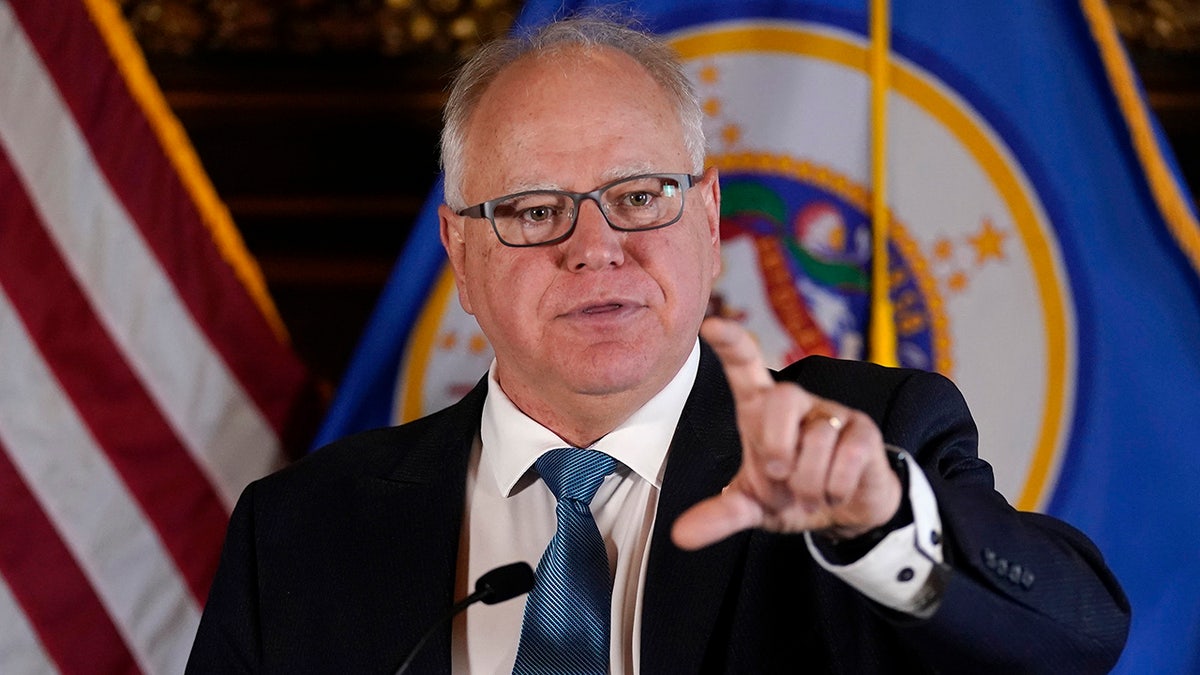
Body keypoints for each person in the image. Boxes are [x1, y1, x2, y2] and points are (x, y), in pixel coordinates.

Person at [187, 14, 1130, 674]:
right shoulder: (299, 533)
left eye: (640, 197)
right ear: (461, 253)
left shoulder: (868, 437)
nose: (595, 247)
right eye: (534, 209)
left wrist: (880, 524)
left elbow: (1077, 633)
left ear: (710, 220)